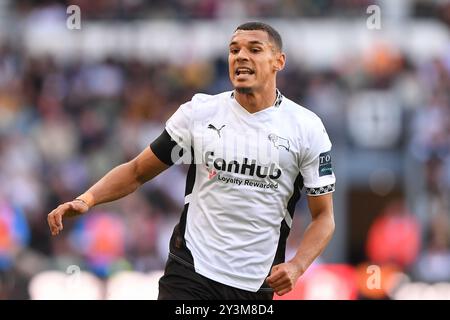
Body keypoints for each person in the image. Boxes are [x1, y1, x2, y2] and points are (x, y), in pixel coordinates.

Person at [47, 22, 336, 300]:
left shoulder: (306, 129)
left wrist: (297, 266)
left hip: (255, 281)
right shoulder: (199, 114)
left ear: (279, 61)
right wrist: (88, 198)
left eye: (255, 49)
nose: (241, 56)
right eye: (234, 50)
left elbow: (323, 217)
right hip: (191, 270)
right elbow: (137, 171)